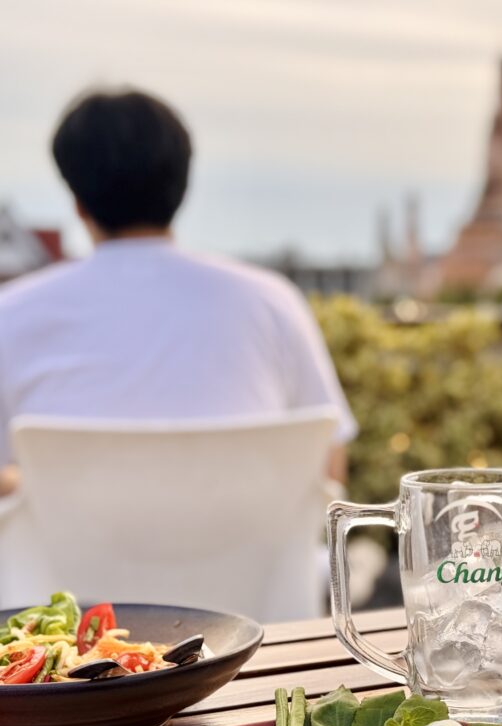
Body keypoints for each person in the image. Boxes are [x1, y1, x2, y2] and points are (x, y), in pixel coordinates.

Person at [0, 88, 357, 491]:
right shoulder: (272, 302)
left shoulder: (10, 316)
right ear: (182, 188)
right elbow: (329, 470)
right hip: (253, 555)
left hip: (59, 556)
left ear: (78, 202)